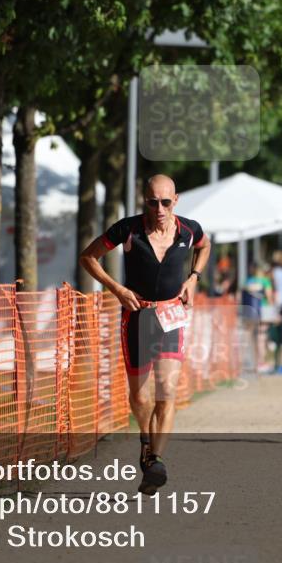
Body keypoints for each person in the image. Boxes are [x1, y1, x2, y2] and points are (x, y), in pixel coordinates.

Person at [79, 174, 210, 494]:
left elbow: (205, 247)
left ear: (176, 201)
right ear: (144, 201)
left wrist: (193, 278)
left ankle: (155, 459)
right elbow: (88, 257)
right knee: (139, 396)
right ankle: (144, 438)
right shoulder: (128, 229)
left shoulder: (189, 229)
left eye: (166, 202)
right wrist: (117, 289)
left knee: (166, 387)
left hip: (171, 316)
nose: (160, 209)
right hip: (137, 316)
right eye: (153, 202)